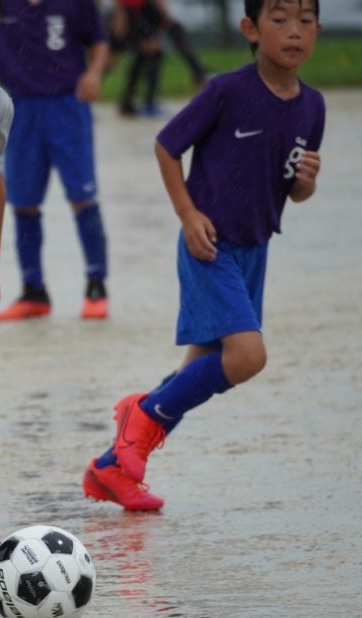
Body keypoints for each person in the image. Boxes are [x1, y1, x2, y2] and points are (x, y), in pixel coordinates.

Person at [82, 0, 323, 510]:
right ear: (250, 29)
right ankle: (139, 418)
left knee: (200, 368)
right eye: (279, 19)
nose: (294, 31)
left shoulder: (313, 106)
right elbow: (167, 146)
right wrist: (187, 215)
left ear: (318, 30)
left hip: (255, 250)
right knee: (247, 356)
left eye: (305, 20)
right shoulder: (226, 91)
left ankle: (109, 468)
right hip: (208, 244)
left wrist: (306, 185)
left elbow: (293, 190)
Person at [0, 0, 111, 322]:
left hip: (67, 104)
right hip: (20, 106)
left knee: (82, 195)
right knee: (22, 202)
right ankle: (34, 290)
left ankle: (96, 284)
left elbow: (98, 40)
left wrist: (94, 73)